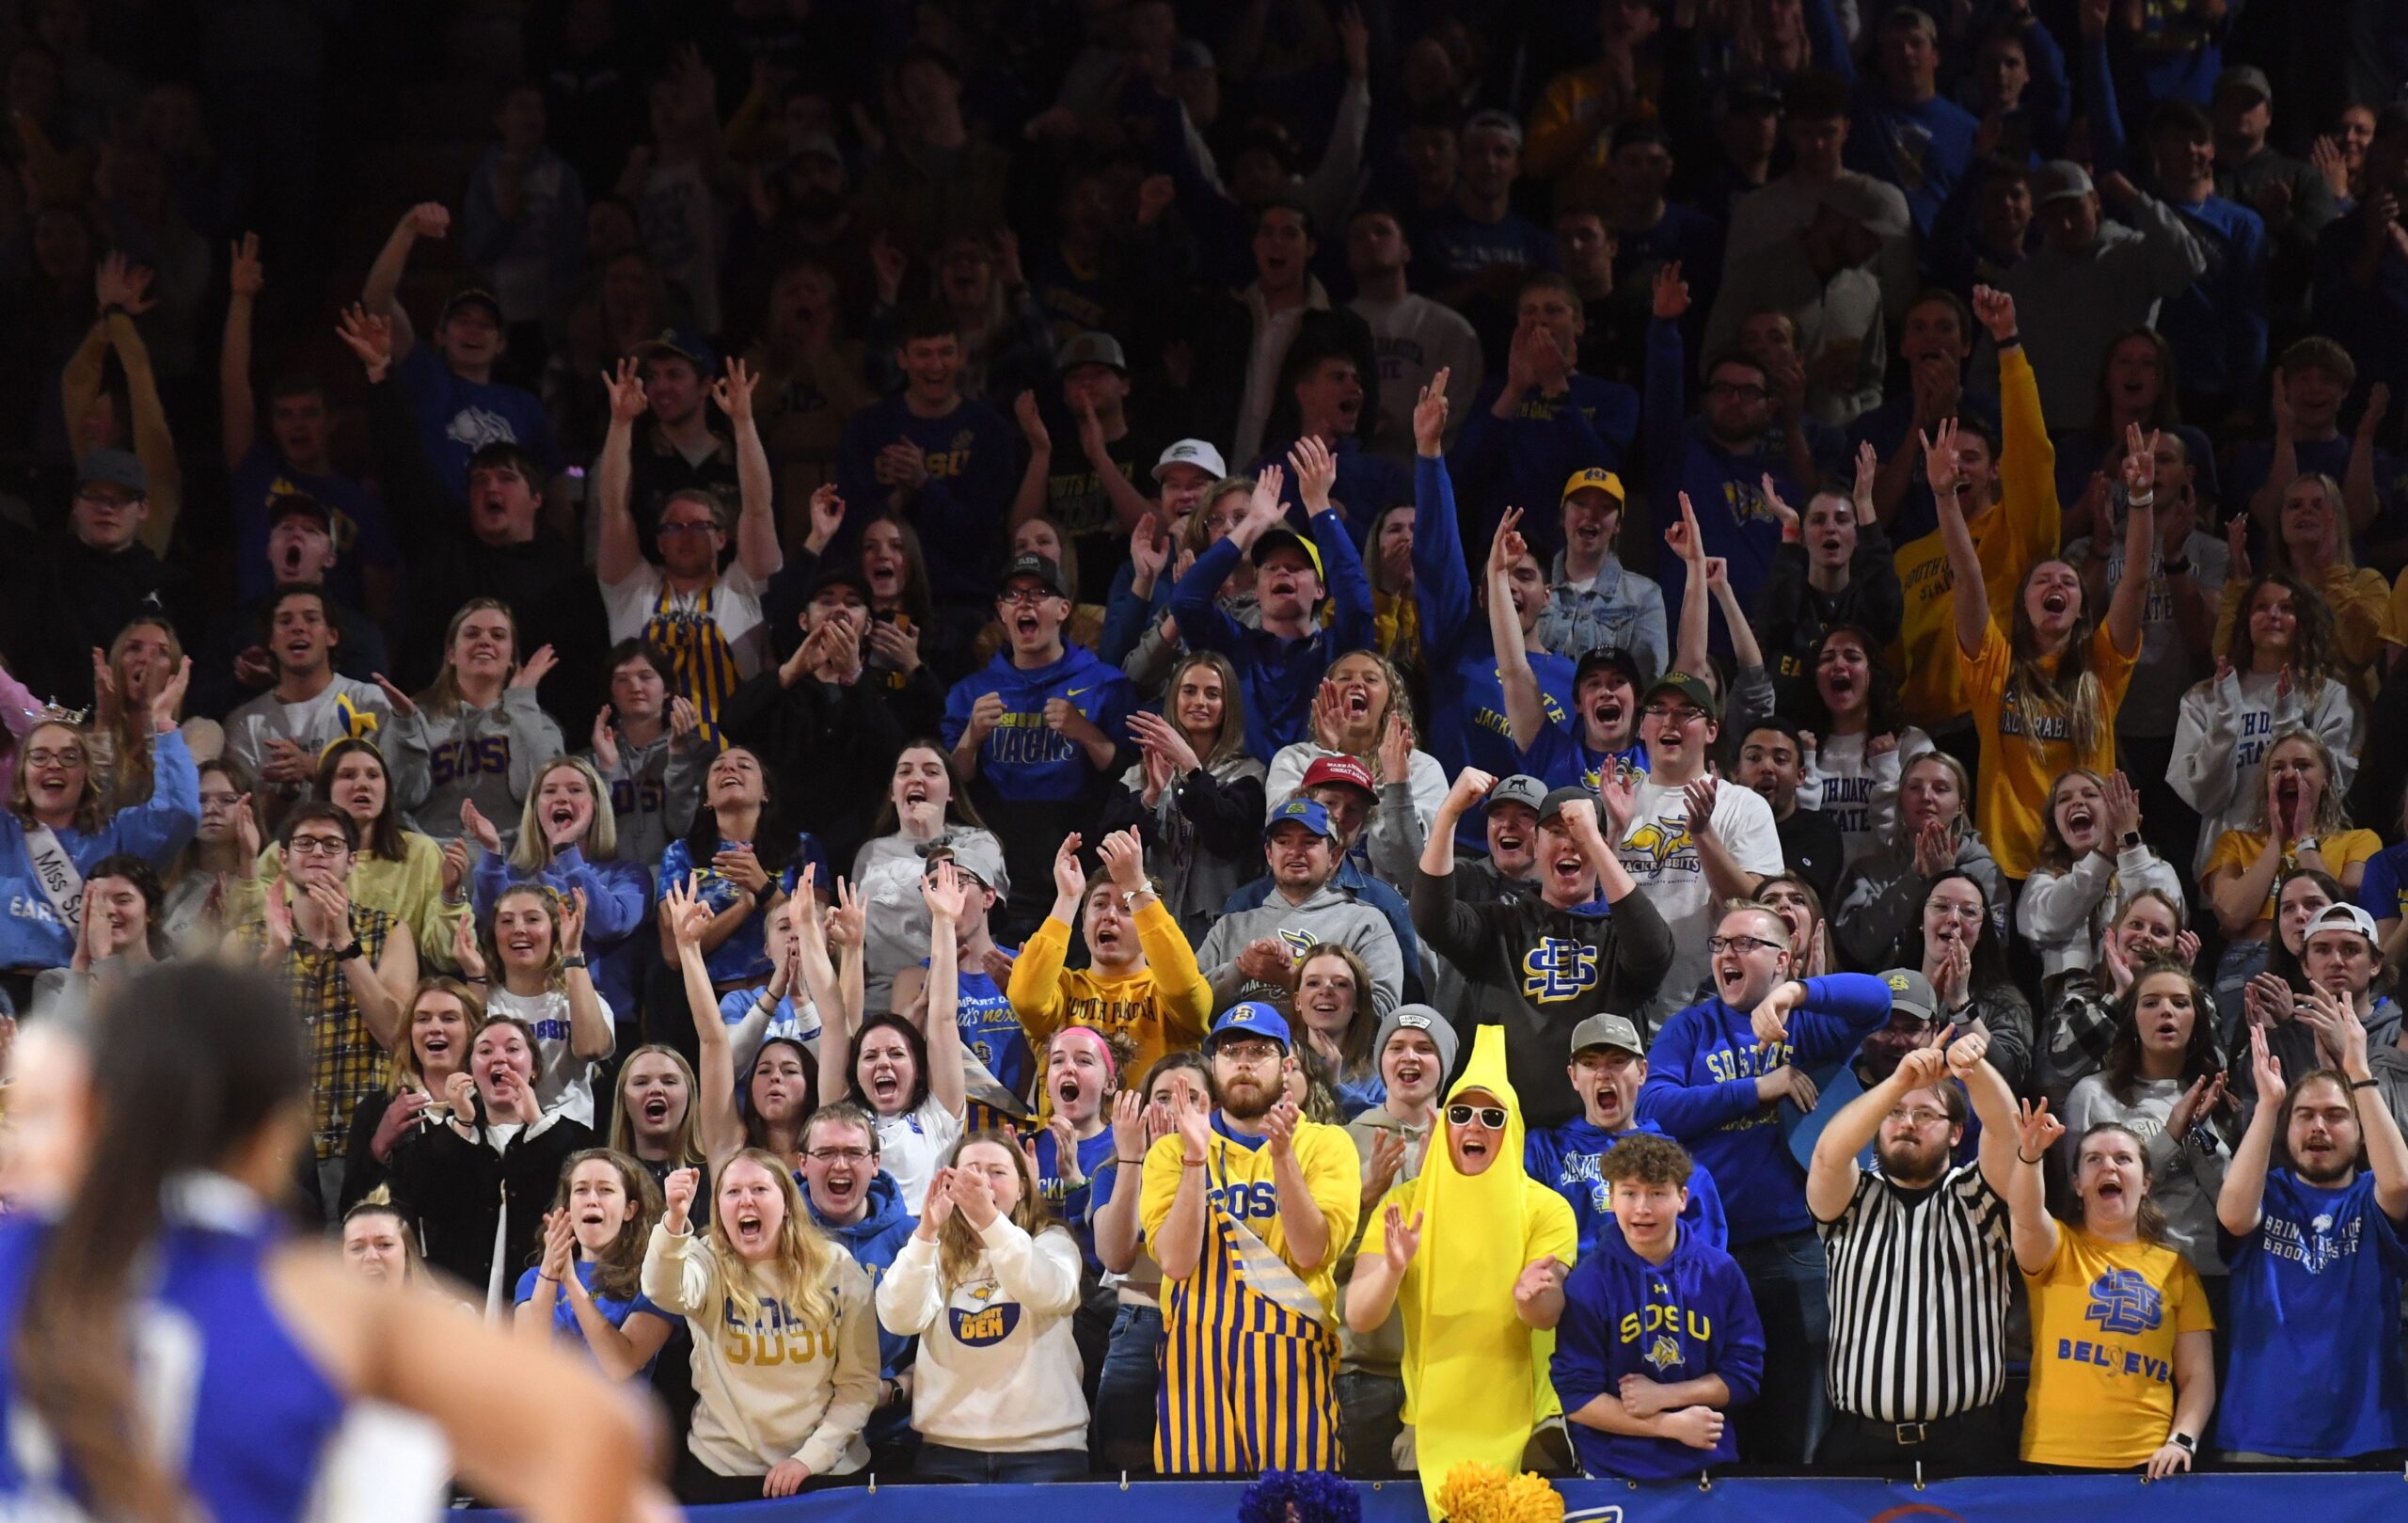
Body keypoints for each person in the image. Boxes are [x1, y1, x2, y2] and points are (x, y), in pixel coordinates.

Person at [0, 960, 652, 1523]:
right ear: (281, 1130)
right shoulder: (322, 1302)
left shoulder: (20, 1262)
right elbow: (602, 1437)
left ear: (87, 1099)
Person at [1638, 909, 1894, 1464]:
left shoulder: (1810, 1027)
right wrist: (1758, 1088)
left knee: (1799, 1410)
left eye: (1745, 944)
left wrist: (1796, 996)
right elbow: (1654, 1106)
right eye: (1719, 943)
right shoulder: (1692, 1028)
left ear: (1783, 959)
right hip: (1706, 1252)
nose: (1726, 953)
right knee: (1718, 1408)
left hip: (1796, 1247)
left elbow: (1876, 998)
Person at [1345, 1025, 1576, 1512]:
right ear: (1445, 1124)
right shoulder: (1405, 1205)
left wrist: (1531, 1298)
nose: (1475, 1125)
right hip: (1428, 1431)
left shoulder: (1547, 1208)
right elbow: (1361, 1318)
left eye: (1493, 1116)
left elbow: (1546, 1312)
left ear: (1511, 1129)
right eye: (1462, 1113)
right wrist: (1391, 1267)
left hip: (1530, 1430)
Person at [1141, 1002, 1362, 1474]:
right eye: (1230, 1050)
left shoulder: (1326, 1144)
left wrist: (1282, 1157)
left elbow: (1310, 1251)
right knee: (1199, 1512)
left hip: (1293, 1358)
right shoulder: (1170, 1150)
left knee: (1297, 1508)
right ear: (1213, 1064)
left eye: (1258, 1050)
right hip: (1193, 1362)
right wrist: (1196, 1160)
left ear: (1286, 1067)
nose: (1242, 1061)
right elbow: (1176, 1264)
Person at [1935, 405, 2153, 881]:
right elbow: (1968, 578)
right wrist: (1945, 496)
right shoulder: (1994, 665)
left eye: (2068, 582)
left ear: (2080, 608)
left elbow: (2134, 581)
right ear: (2023, 604)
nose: (2056, 584)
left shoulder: (2101, 665)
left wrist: (2141, 500)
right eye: (2042, 580)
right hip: (2005, 868)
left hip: (2089, 865)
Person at [1808, 1032, 2020, 1475]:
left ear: (1957, 1131)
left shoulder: (1976, 1197)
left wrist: (1972, 1069)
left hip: (1967, 1446)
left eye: (1925, 1114)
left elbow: (2007, 1131)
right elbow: (1829, 1152)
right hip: (1858, 1444)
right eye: (1895, 1115)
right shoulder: (1852, 1199)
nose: (1907, 1123)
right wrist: (1899, 1083)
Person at [1415, 773, 1672, 1124]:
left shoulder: (1620, 935)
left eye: (1579, 833)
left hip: (1601, 1143)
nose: (1569, 844)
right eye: (1556, 832)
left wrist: (1596, 843)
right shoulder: (1498, 928)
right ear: (1535, 845)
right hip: (1508, 1136)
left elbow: (1655, 951)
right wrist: (1448, 815)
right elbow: (1431, 918)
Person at [2215, 1021, 2408, 1461]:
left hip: (2365, 1433)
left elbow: (2401, 1187)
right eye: (2305, 1116)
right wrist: (2269, 1106)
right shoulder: (2268, 1192)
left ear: (2361, 1132)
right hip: (2261, 1431)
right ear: (2287, 1130)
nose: (2319, 1127)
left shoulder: (2371, 1197)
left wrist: (2358, 1071)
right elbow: (2233, 1214)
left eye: (2336, 1115)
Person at [643, 1153, 880, 1501]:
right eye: (733, 1192)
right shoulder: (704, 1260)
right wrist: (674, 1220)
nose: (746, 1200)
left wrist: (809, 1459)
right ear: (719, 1207)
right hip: (724, 1470)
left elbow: (858, 1385)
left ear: (786, 1203)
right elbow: (662, 1289)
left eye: (759, 1189)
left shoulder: (836, 1267)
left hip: (826, 1471)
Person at [2004, 1103, 2216, 1475]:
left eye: (2123, 1158)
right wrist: (2030, 1156)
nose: (2109, 1167)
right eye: (2093, 1159)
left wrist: (2181, 1438)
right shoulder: (2057, 1246)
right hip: (2053, 1459)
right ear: (2077, 1184)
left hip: (2147, 1468)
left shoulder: (2175, 1270)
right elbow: (2024, 1215)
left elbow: (2197, 1376)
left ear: (2146, 1182)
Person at [876, 1133, 1089, 1481]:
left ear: (1022, 1187)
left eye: (996, 1172)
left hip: (1045, 1453)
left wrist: (990, 1221)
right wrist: (927, 1232)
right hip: (948, 1452)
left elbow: (1049, 1291)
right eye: (971, 1172)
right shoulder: (934, 1249)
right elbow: (898, 1317)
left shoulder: (1053, 1241)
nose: (982, 1182)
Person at [1550, 1134, 1765, 1481]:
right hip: (1612, 1471)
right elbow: (1576, 1398)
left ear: (1682, 1198)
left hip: (1706, 1464)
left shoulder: (1720, 1272)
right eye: (1630, 1192)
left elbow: (1744, 1376)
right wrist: (1669, 1424)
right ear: (1611, 1197)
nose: (1642, 1208)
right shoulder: (1588, 1283)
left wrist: (1664, 1395)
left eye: (1657, 1193)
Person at [943, 551, 1135, 933]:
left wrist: (1085, 731)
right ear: (1000, 610)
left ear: (1064, 609)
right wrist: (971, 737)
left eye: (1039, 593)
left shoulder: (1105, 683)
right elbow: (952, 780)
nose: (1025, 602)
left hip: (1079, 855)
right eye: (1014, 594)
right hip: (1001, 862)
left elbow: (1128, 771)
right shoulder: (972, 691)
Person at [240, 804, 420, 1209]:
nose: (318, 852)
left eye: (331, 844)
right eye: (304, 843)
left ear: (351, 861)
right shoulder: (248, 939)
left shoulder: (387, 930)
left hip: (364, 1140)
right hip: (277, 1146)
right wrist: (273, 955)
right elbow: (219, 1039)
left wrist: (344, 943)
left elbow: (396, 1035)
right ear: (283, 858)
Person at [595, 357, 784, 737]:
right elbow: (613, 510)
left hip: (728, 757)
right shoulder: (632, 590)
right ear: (659, 540)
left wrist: (744, 424)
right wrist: (620, 423)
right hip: (648, 762)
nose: (686, 534)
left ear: (722, 537)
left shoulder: (743, 589)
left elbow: (758, 509)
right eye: (674, 527)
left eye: (699, 526)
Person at [1165, 448, 1376, 759]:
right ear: (1257, 589)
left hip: (1317, 798)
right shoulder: (1233, 646)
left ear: (1320, 590)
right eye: (1271, 567)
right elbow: (1185, 600)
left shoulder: (1338, 651)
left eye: (1296, 567)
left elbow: (1358, 604)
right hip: (1238, 797)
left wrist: (1318, 505)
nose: (1281, 571)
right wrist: (1252, 522)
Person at [384, 1013, 594, 1310]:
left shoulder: (568, 1136)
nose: (500, 1059)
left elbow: (580, 1186)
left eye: (512, 1049)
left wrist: (536, 1122)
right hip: (461, 1307)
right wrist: (462, 1123)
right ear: (469, 1071)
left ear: (533, 1068)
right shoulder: (445, 1138)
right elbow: (420, 1198)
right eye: (485, 1051)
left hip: (543, 1306)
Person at [0, 683, 198, 995]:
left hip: (83, 996)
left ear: (86, 773)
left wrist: (162, 723)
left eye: (69, 757)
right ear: (22, 771)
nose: (54, 765)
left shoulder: (115, 836)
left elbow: (181, 811)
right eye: (39, 757)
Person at [1615, 671, 1784, 1030]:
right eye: (1658, 710)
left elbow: (1760, 912)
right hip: (1619, 1002)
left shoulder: (1743, 805)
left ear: (1711, 730)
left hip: (1706, 1008)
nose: (1669, 721)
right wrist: (1612, 831)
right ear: (1642, 726)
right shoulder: (1616, 800)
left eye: (1686, 711)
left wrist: (1704, 834)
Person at [233, 739, 471, 979]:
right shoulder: (290, 851)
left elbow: (445, 958)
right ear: (326, 787)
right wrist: (248, 858)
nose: (362, 785)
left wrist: (450, 897)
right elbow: (248, 933)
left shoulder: (421, 853)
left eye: (373, 775)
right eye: (347, 775)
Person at [2064, 960, 2233, 1283]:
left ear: (2197, 1021)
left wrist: (2201, 1129)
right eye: (2151, 1002)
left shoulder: (2216, 1098)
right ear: (2132, 1020)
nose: (2166, 1011)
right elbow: (2086, 1196)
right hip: (2125, 1274)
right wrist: (2170, 1135)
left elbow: (2229, 1203)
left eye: (2180, 1003)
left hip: (2207, 1275)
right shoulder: (2092, 1095)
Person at [1008, 828, 1212, 1087]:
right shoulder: (1063, 988)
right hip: (1067, 1129)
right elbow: (1026, 1001)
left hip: (1157, 1129)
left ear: (1147, 922)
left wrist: (1137, 887)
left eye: (1127, 907)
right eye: (1100, 904)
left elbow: (1185, 989)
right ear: (1082, 924)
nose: (1110, 916)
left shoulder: (1165, 994)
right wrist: (1068, 899)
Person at [817, 868, 971, 1210]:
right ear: (854, 1071)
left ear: (918, 1068)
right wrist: (847, 949)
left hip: (923, 1248)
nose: (883, 1062)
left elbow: (943, 1018)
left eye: (896, 1054)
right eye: (870, 1056)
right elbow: (836, 1021)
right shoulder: (843, 1114)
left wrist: (944, 922)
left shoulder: (937, 1117)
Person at [1527, 1012, 1728, 1260]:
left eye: (1617, 1061)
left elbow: (1706, 1263)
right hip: (1570, 1293)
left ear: (1642, 1072)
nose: (1603, 1073)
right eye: (1589, 1063)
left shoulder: (1676, 1164)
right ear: (1573, 1076)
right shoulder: (1543, 1151)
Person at [468, 755, 652, 1020]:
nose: (562, 798)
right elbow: (488, 926)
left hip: (605, 1021)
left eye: (575, 790)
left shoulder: (628, 876)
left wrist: (566, 851)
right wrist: (491, 853)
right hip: (522, 1022)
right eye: (550, 791)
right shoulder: (512, 877)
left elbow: (608, 924)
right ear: (535, 809)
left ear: (597, 807)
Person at [380, 599, 569, 846]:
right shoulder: (415, 716)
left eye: (498, 635)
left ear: (511, 656)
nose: (485, 641)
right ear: (451, 654)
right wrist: (405, 728)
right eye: (472, 634)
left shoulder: (539, 723)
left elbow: (538, 797)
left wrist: (522, 704)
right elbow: (398, 798)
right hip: (434, 862)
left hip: (512, 865)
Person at [1196, 799, 1404, 1020]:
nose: (1295, 851)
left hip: (1325, 1054)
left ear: (1334, 856)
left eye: (1309, 842)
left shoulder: (1365, 923)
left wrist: (1292, 980)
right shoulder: (1229, 926)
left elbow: (1384, 1014)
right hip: (1240, 1051)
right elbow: (1185, 1009)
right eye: (1283, 842)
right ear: (1269, 854)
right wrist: (1240, 970)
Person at [223, 587, 394, 836]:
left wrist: (313, 768)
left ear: (332, 636)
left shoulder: (369, 702)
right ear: (270, 641)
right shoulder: (244, 723)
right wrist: (284, 793)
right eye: (285, 621)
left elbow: (394, 790)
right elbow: (239, 827)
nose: (298, 628)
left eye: (311, 619)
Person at [1124, 651, 1270, 944]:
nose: (1200, 702)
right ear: (1174, 699)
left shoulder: (1249, 775)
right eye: (1189, 691)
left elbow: (1225, 837)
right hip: (1148, 919)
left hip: (1218, 924)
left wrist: (1190, 767)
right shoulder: (1139, 772)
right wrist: (1151, 795)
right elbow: (1112, 843)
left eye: (1213, 694)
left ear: (1228, 705)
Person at [454, 882, 615, 1126]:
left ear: (554, 931)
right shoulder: (483, 999)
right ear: (493, 935)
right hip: (498, 1138)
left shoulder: (578, 999)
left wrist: (572, 954)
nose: (519, 929)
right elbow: (464, 1065)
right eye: (507, 921)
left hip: (567, 1138)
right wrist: (476, 977)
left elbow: (592, 1048)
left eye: (532, 919)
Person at [1830, 751, 2007, 971]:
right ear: (1901, 800)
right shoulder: (1869, 871)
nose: (1926, 796)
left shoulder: (1983, 870)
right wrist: (1914, 879)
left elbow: (1995, 949)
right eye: (1914, 787)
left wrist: (1945, 880)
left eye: (1940, 789)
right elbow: (1859, 947)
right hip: (1888, 995)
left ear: (1961, 806)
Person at [514, 1149, 676, 1381]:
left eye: (605, 1190)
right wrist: (550, 1273)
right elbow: (527, 1362)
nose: (591, 1200)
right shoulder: (533, 1280)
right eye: (581, 1190)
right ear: (568, 1207)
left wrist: (570, 1280)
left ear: (629, 1210)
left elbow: (620, 1366)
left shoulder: (654, 1281)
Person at [2018, 770, 2186, 981]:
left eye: (2090, 794)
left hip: (2142, 998)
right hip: (2071, 1008)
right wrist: (2103, 856)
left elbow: (2165, 918)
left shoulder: (2155, 868)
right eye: (2064, 799)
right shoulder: (2044, 880)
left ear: (2113, 810)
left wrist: (2128, 839)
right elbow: (2048, 924)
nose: (2077, 802)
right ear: (2055, 823)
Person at [339, 976, 485, 1214]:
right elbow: (349, 1210)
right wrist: (379, 1146)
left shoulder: (490, 1105)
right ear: (410, 1032)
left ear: (472, 1031)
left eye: (449, 1018)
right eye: (422, 1019)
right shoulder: (377, 1109)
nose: (434, 1028)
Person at [1795, 627, 1931, 869]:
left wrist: (1887, 768)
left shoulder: (1909, 743)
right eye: (1827, 658)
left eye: (1852, 657)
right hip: (1818, 894)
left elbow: (1922, 832)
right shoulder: (1800, 746)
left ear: (1872, 674)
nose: (1838, 665)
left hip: (1889, 893)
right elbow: (1796, 831)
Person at [588, 640, 705, 873]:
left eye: (646, 676)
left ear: (668, 690)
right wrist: (605, 769)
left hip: (677, 883)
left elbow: (683, 826)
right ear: (611, 692)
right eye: (622, 679)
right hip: (611, 882)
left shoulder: (699, 752)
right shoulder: (590, 759)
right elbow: (590, 835)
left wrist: (679, 754)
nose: (635, 686)